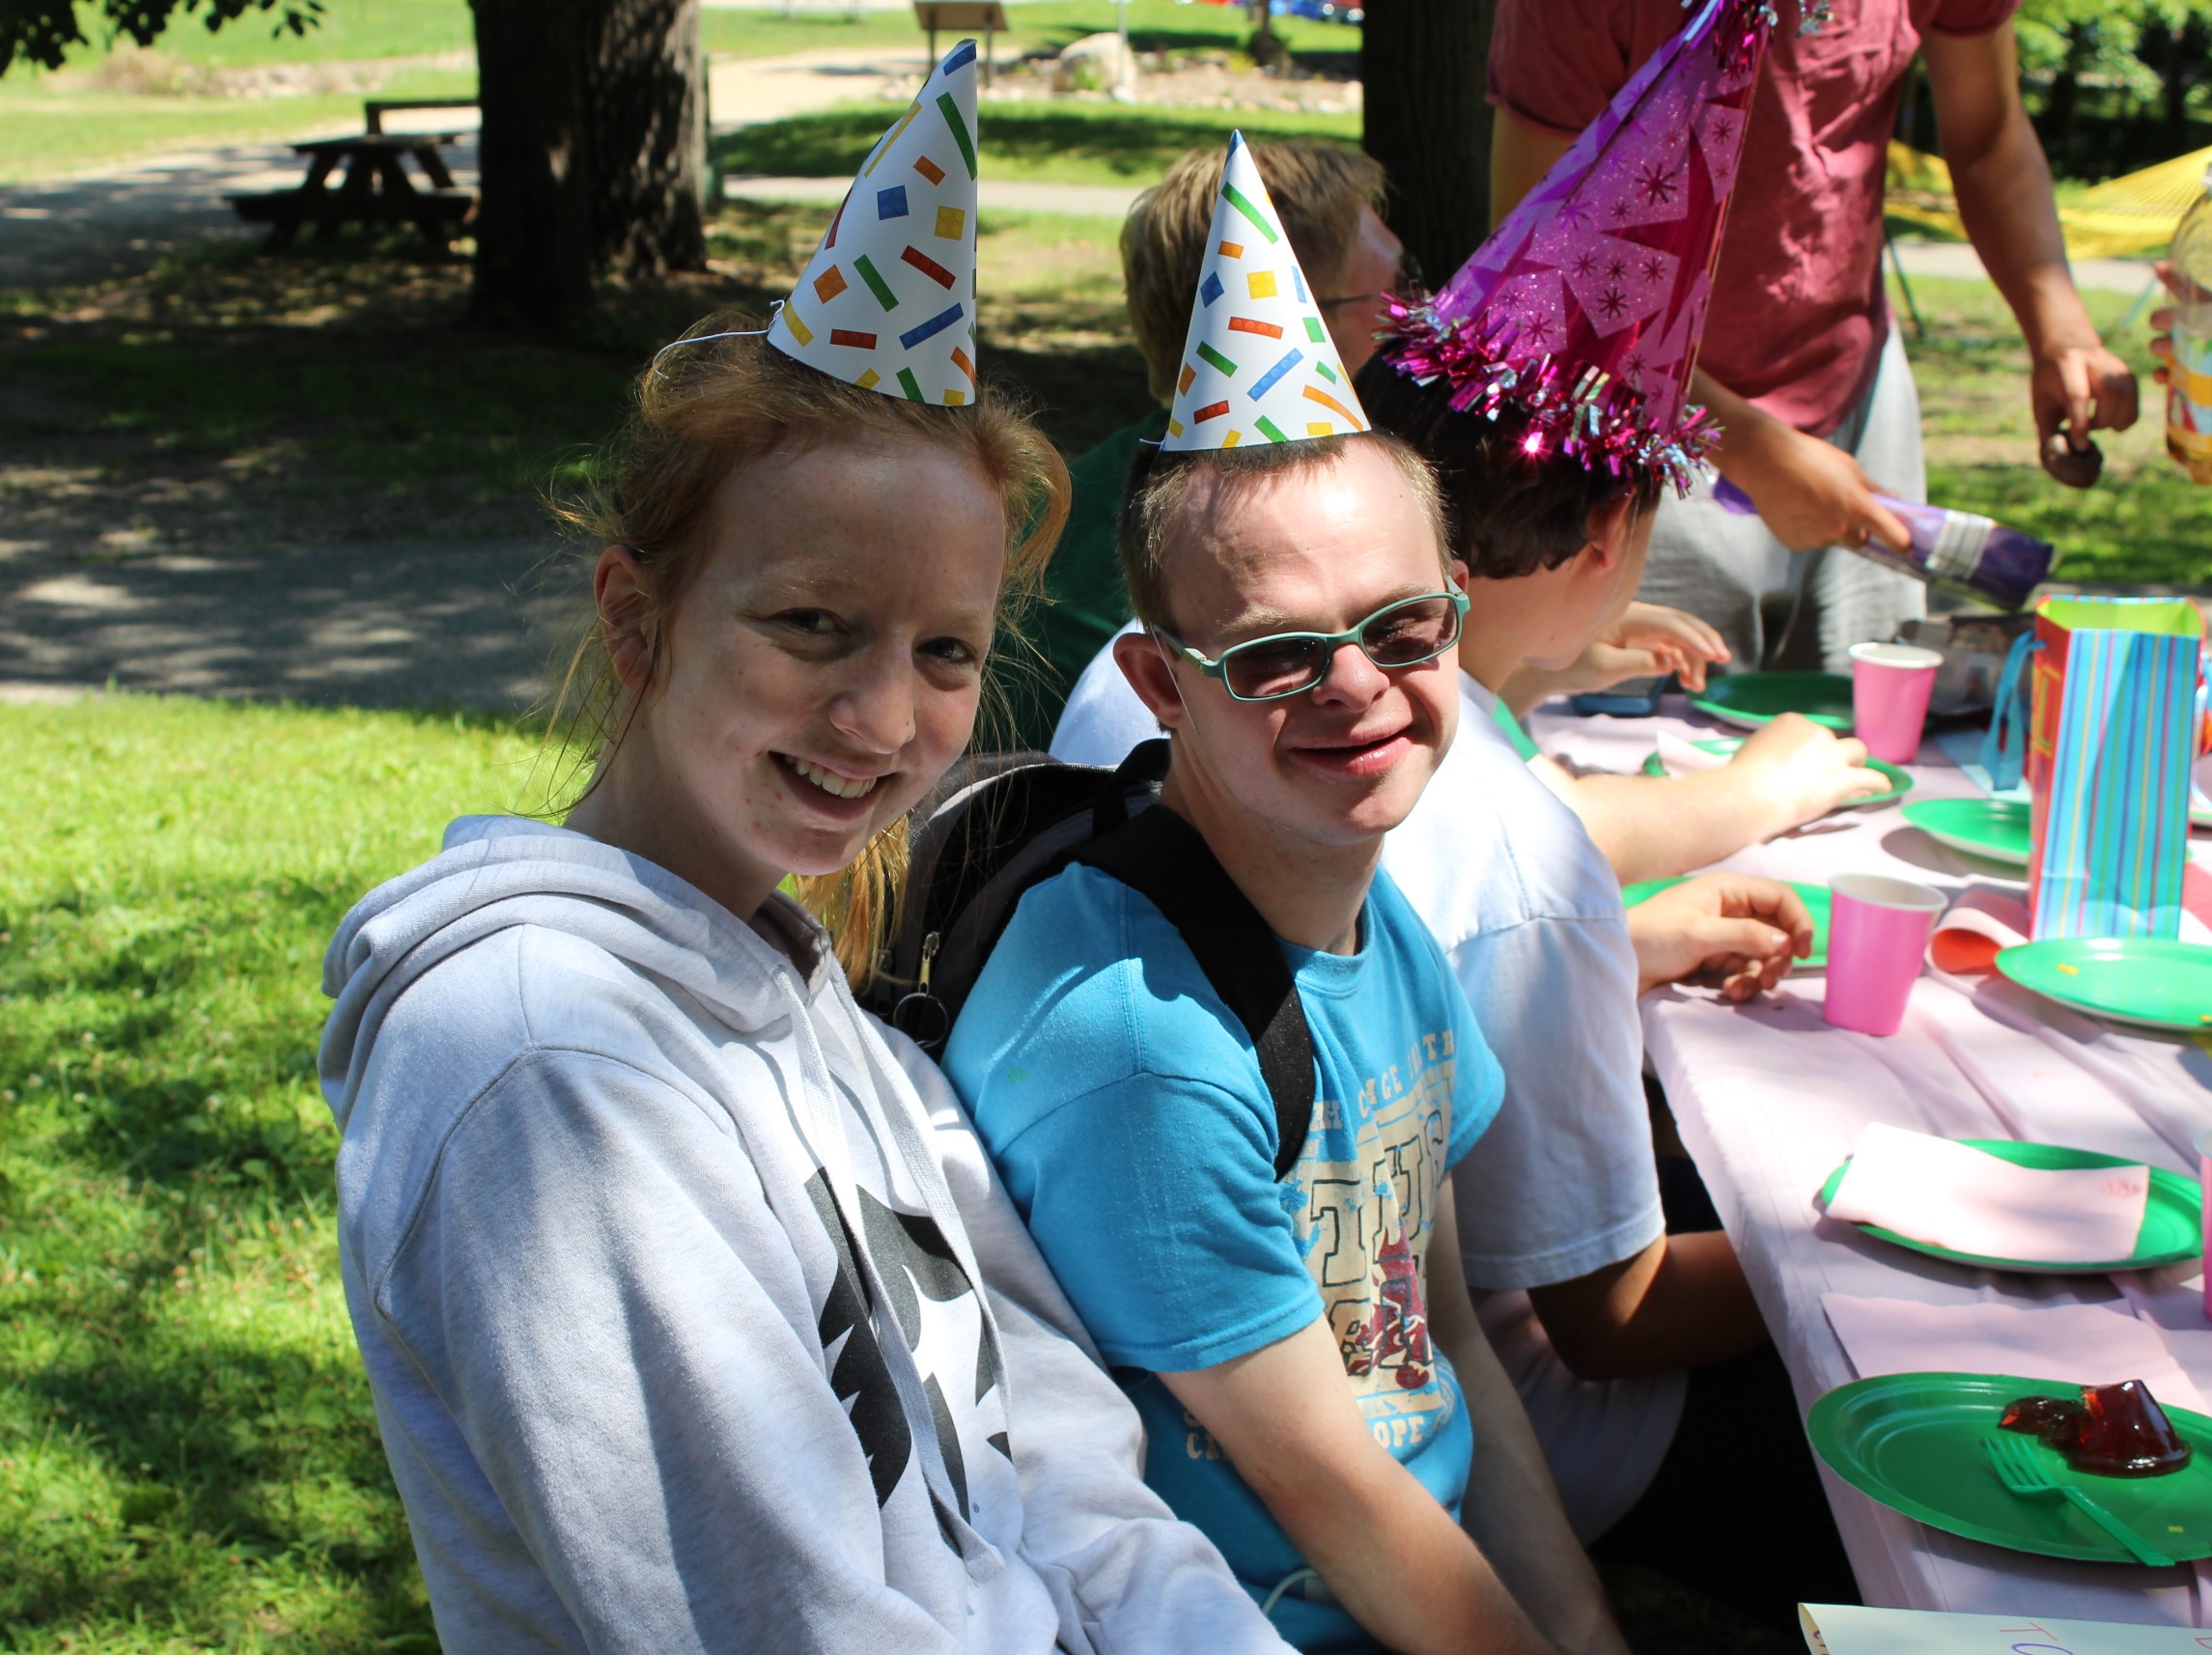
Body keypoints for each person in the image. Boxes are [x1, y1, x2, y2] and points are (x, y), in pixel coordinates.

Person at [316, 54, 1298, 1655]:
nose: (880, 713)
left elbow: (1034, 1423)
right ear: (637, 620)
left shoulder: (789, 977)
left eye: (945, 650)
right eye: (811, 624)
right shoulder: (537, 1065)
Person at [948, 140, 1625, 1655]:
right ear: (1152, 686)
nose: (1354, 689)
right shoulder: (1137, 1047)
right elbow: (1330, 1491)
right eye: (1270, 654)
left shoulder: (1367, 913)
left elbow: (1445, 1348)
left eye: (1401, 626)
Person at [1487, 0, 2142, 671]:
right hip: (1641, 417)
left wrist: (2058, 329)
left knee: (1872, 742)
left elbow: (1988, 133)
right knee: (1655, 744)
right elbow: (1539, 270)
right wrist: (1746, 445)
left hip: (1855, 389)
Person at [1003, 139, 1404, 750]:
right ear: (1290, 319)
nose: (1419, 317)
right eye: (1395, 293)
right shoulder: (1207, 552)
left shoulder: (1097, 483)